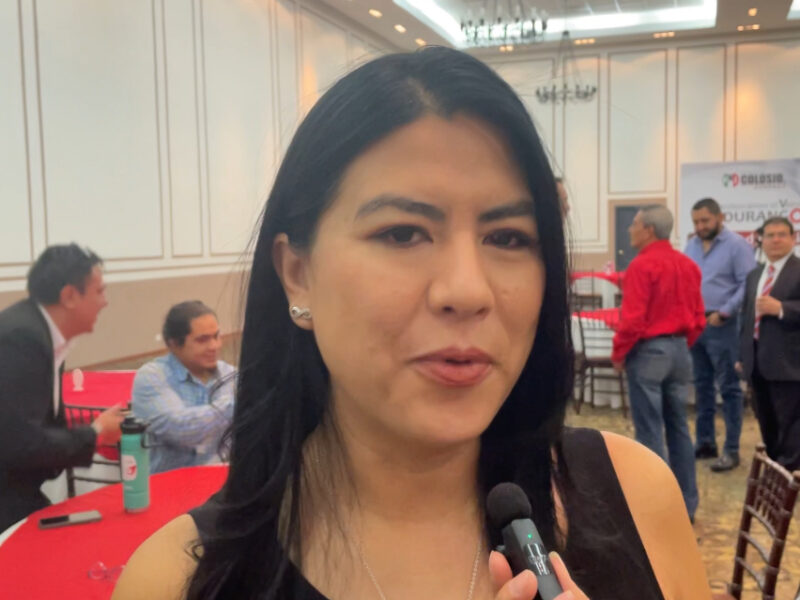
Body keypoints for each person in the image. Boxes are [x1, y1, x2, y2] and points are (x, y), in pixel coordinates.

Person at [113, 47, 710, 600]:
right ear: (297, 273)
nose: (467, 291)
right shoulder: (175, 580)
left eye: (508, 238)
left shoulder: (637, 495)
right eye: (402, 234)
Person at [0, 244, 125, 532]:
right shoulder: (21, 338)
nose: (105, 302)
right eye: (99, 291)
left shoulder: (43, 335)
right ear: (69, 296)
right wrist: (95, 433)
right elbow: (19, 443)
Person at [612, 205, 706, 522]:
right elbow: (698, 318)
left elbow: (633, 320)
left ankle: (657, 510)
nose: (630, 229)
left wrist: (619, 353)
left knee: (650, 432)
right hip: (680, 351)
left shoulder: (641, 266)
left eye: (635, 224)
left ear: (648, 230)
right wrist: (679, 345)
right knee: (679, 427)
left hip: (650, 352)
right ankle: (686, 505)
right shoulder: (688, 265)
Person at [684, 197, 756, 472]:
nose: (700, 226)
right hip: (696, 324)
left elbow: (747, 284)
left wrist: (725, 312)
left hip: (724, 324)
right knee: (702, 386)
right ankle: (705, 443)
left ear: (720, 217)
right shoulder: (691, 245)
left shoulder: (737, 245)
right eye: (696, 222)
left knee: (729, 389)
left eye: (705, 220)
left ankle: (732, 449)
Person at [131, 301, 235, 474]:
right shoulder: (152, 377)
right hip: (168, 483)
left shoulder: (228, 373)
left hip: (220, 481)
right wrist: (237, 404)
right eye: (202, 340)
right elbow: (183, 431)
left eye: (216, 336)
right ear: (174, 344)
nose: (214, 346)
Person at [739, 217, 800, 471]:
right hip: (757, 363)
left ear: (793, 239)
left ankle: (790, 477)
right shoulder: (755, 275)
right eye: (770, 235)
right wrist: (741, 356)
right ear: (761, 240)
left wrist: (782, 308)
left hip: (789, 364)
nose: (776, 240)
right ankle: (775, 471)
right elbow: (745, 317)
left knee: (791, 427)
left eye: (782, 234)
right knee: (767, 423)